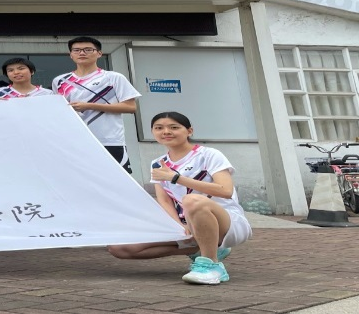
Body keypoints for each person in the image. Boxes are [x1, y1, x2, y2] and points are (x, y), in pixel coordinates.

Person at [107, 112, 252, 285]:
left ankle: (211, 266)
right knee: (119, 247)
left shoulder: (209, 154)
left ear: (189, 131)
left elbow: (225, 191)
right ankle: (198, 250)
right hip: (188, 224)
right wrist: (179, 226)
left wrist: (176, 178)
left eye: (174, 127)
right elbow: (165, 200)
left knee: (191, 200)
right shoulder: (158, 163)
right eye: (159, 128)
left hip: (227, 223)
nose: (166, 132)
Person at [52, 36, 141, 171]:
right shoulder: (60, 81)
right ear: (71, 55)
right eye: (76, 50)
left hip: (109, 140)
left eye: (88, 49)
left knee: (114, 178)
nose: (82, 53)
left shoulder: (113, 77)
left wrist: (89, 106)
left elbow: (130, 107)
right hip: (74, 140)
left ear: (99, 53)